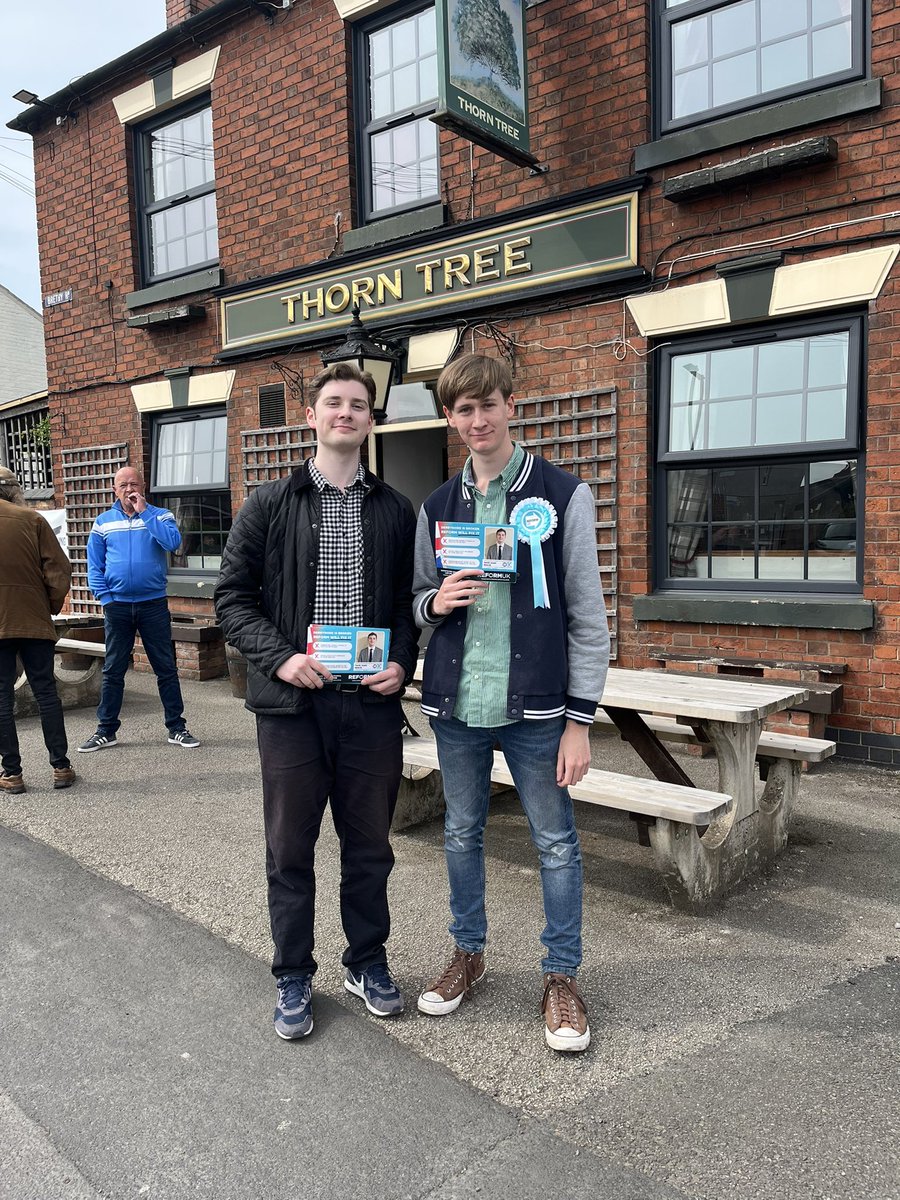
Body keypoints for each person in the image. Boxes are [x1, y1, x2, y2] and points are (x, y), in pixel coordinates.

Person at [215, 362, 418, 1041]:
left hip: (369, 709)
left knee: (369, 848)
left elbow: (404, 610)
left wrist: (401, 663)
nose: (346, 413)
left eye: (358, 405)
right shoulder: (269, 504)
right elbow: (232, 601)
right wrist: (282, 659)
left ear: (370, 419)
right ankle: (293, 974)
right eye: (334, 403)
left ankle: (366, 960)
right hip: (293, 710)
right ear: (312, 416)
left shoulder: (394, 509)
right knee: (290, 849)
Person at [412, 354, 609, 1053]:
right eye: (462, 410)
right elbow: (415, 606)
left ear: (509, 405)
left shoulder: (561, 496)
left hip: (538, 712)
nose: (476, 420)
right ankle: (469, 953)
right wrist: (436, 601)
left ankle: (562, 978)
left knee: (555, 843)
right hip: (457, 706)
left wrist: (582, 721)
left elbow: (588, 616)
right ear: (449, 417)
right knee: (461, 834)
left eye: (486, 404)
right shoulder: (437, 507)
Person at [78, 467, 199, 752]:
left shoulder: (160, 515)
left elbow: (173, 544)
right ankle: (106, 730)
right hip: (117, 605)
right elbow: (94, 567)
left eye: (134, 484)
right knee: (114, 670)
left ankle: (177, 727)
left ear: (143, 487)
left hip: (153, 604)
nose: (129, 488)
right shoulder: (103, 522)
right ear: (114, 489)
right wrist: (106, 599)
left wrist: (144, 511)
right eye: (123, 484)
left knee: (165, 668)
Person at [0, 466, 76, 794]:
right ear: (14, 490)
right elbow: (59, 569)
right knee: (46, 691)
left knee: (1, 697)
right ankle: (61, 766)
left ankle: (12, 773)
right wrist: (48, 605)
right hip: (33, 619)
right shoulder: (32, 520)